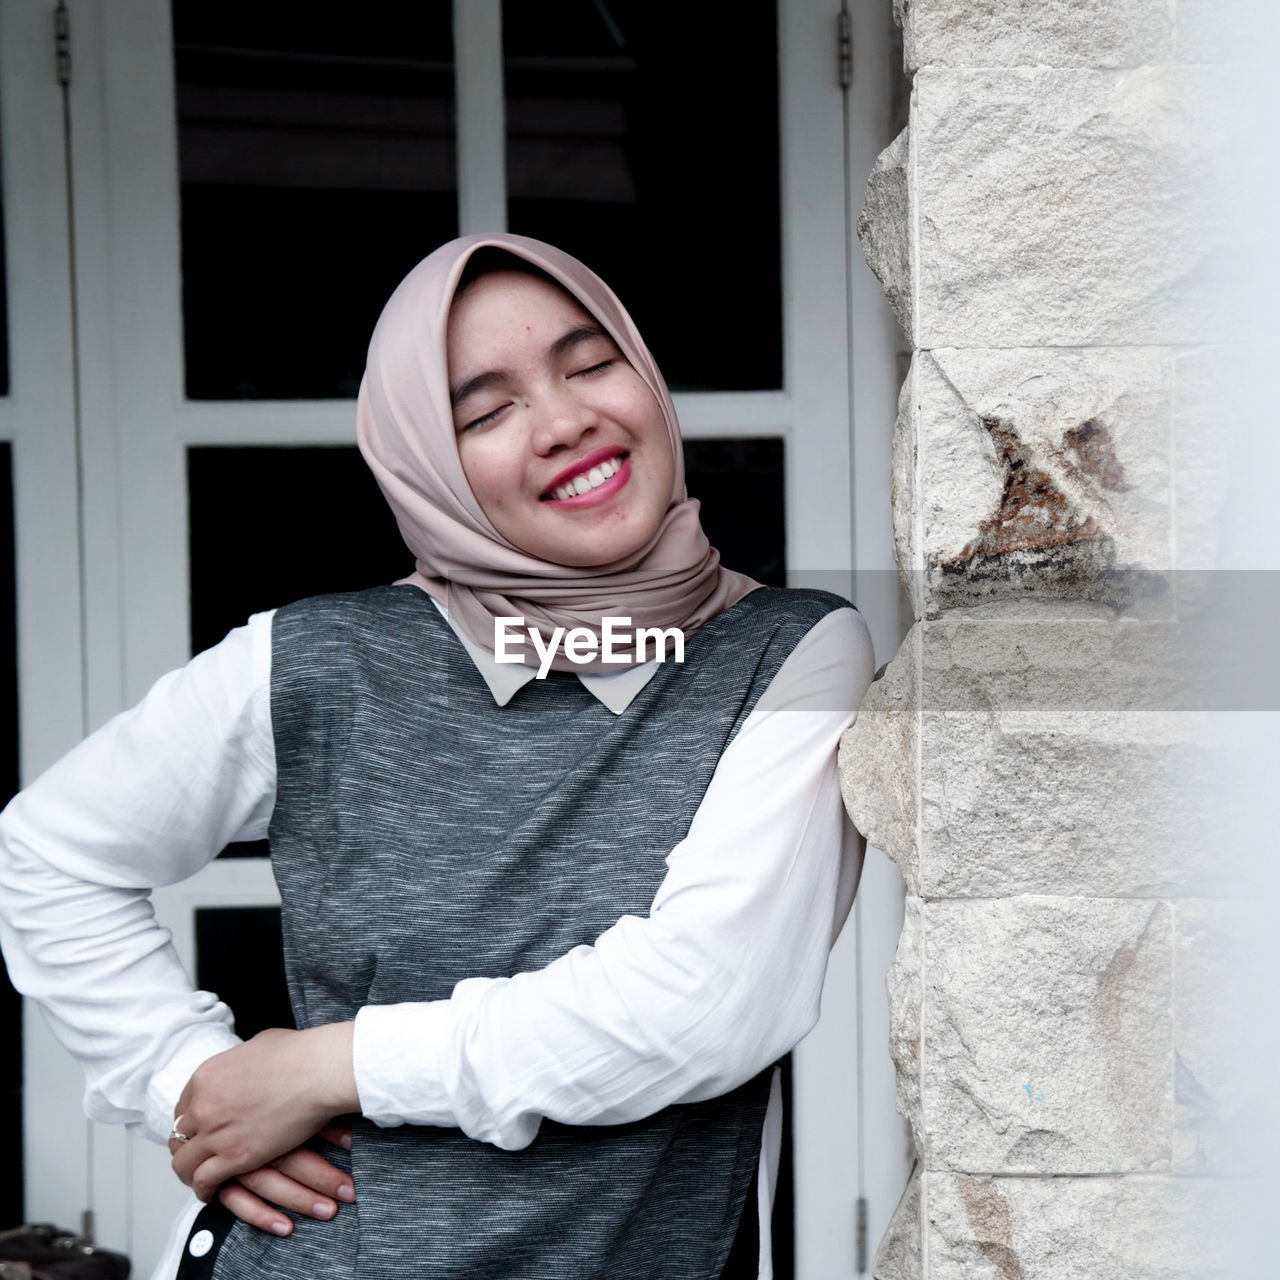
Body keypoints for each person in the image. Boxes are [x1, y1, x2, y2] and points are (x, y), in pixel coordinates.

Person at [0, 233, 874, 1280]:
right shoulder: (319, 658)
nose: (564, 421)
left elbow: (701, 1003)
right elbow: (51, 850)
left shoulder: (786, 652)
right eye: (485, 409)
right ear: (426, 460)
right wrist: (184, 1079)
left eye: (590, 363)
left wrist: (326, 1065)